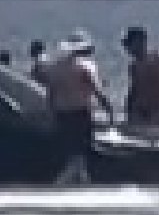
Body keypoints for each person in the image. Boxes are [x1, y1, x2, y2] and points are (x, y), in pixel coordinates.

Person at [44, 30, 116, 185]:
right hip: (80, 113)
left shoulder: (55, 67)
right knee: (82, 150)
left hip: (62, 114)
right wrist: (109, 110)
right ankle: (76, 178)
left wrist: (51, 112)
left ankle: (76, 177)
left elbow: (50, 93)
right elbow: (97, 90)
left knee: (69, 149)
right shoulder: (85, 66)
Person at [123, 26, 159, 125]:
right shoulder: (133, 66)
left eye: (129, 44)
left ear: (139, 42)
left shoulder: (157, 61)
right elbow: (134, 90)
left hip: (157, 113)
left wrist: (158, 114)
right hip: (140, 113)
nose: (127, 48)